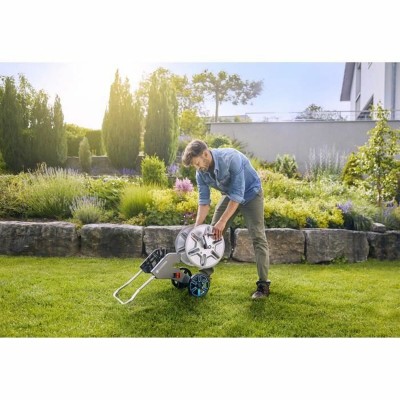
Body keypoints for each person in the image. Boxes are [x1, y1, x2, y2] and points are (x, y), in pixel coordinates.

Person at [182, 139, 270, 299]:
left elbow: (238, 195)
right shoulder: (200, 172)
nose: (197, 168)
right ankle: (204, 275)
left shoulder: (231, 158)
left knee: (258, 236)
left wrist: (222, 222)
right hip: (231, 195)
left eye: (197, 163)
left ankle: (263, 285)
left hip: (251, 193)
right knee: (212, 233)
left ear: (205, 154)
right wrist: (197, 227)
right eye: (195, 165)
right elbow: (204, 201)